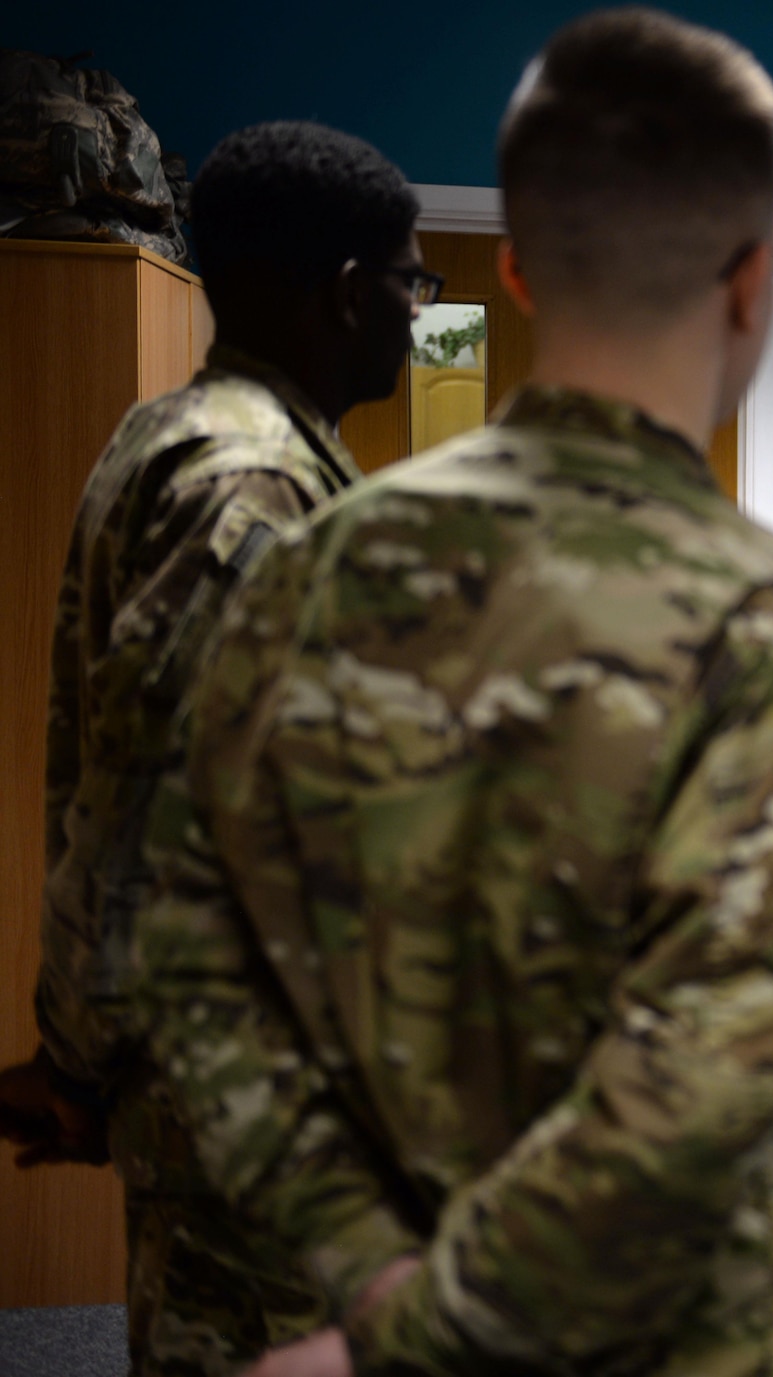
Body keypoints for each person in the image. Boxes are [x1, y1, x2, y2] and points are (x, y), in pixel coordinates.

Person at [132, 11, 773, 1376]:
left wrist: (367, 1277)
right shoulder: (772, 622)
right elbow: (707, 1074)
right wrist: (429, 1332)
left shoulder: (318, 560)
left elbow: (188, 948)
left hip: (348, 1275)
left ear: (522, 273)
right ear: (746, 280)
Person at [0, 121, 424, 1376]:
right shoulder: (252, 491)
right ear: (350, 294)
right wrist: (81, 1054)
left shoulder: (183, 435)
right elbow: (157, 812)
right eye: (411, 282)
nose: (415, 313)